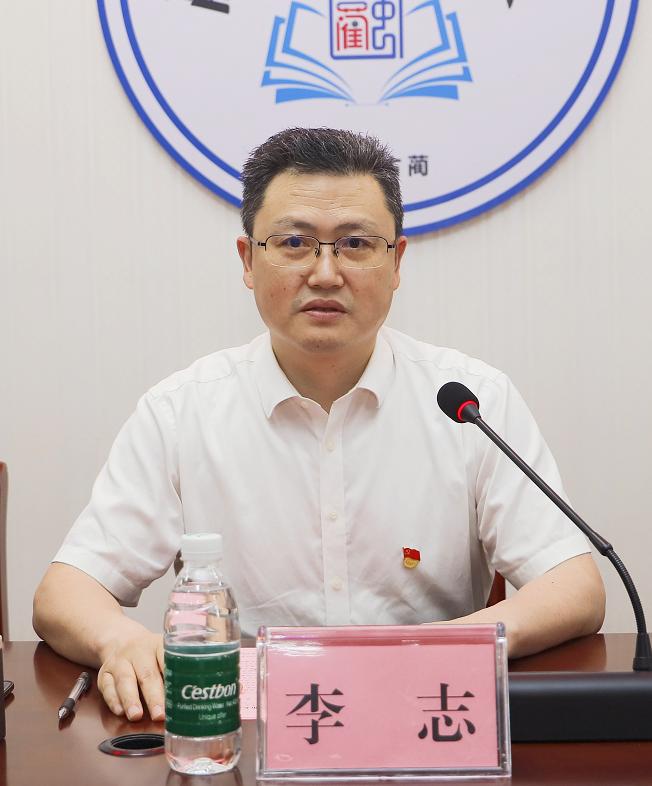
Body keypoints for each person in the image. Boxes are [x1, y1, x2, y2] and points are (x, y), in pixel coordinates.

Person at [33, 127, 605, 723]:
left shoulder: (469, 401)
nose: (326, 273)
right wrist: (120, 640)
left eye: (356, 244)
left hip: (427, 720)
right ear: (248, 260)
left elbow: (575, 587)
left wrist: (434, 650)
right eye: (294, 242)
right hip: (250, 730)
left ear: (397, 261)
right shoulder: (182, 411)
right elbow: (65, 592)